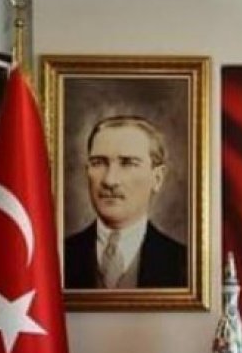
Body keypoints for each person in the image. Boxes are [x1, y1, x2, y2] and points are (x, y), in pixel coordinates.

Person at [64, 115, 187, 289]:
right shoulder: (56, 257)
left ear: (157, 178)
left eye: (128, 163)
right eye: (98, 163)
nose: (110, 180)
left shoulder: (185, 265)